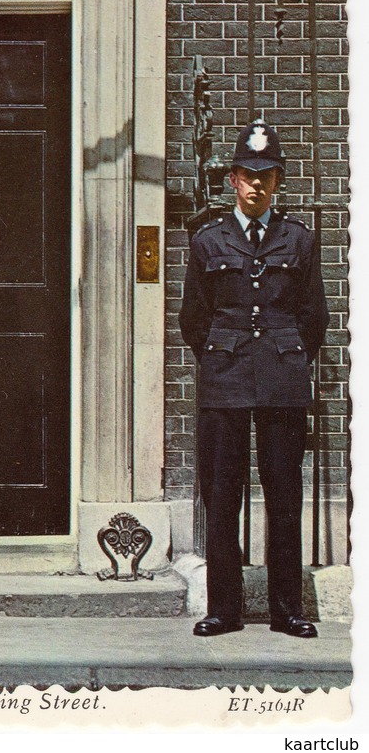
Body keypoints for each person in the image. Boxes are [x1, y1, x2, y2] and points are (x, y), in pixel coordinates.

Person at [179, 120, 329, 639]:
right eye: (247, 175)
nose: (257, 185)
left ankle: (288, 608)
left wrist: (284, 356)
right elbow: (192, 320)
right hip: (224, 379)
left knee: (284, 494)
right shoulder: (208, 241)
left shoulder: (299, 240)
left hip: (283, 379)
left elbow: (315, 318)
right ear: (233, 181)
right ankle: (225, 609)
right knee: (222, 494)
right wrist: (225, 355)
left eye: (267, 175)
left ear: (278, 181)